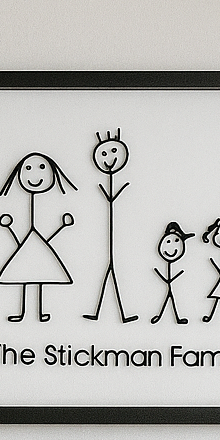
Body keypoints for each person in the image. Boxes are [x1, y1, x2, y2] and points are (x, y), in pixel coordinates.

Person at [0, 153, 76, 322]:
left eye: (41, 168)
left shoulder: (45, 207)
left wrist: (62, 227)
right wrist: (9, 227)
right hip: (31, 245)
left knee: (36, 278)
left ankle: (38, 313)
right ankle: (24, 313)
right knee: (26, 278)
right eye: (28, 168)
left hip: (35, 245)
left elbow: (42, 238)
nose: (34, 175)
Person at [83, 129, 137, 323]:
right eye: (104, 154)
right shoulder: (106, 185)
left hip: (112, 249)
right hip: (109, 249)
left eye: (113, 152)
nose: (109, 158)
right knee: (109, 273)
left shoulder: (114, 185)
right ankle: (108, 314)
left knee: (111, 273)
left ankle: (118, 314)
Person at [150, 221, 194, 325]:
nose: (172, 248)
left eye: (176, 241)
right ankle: (169, 317)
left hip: (169, 280)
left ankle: (164, 317)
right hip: (169, 281)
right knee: (170, 299)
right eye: (168, 242)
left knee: (169, 299)